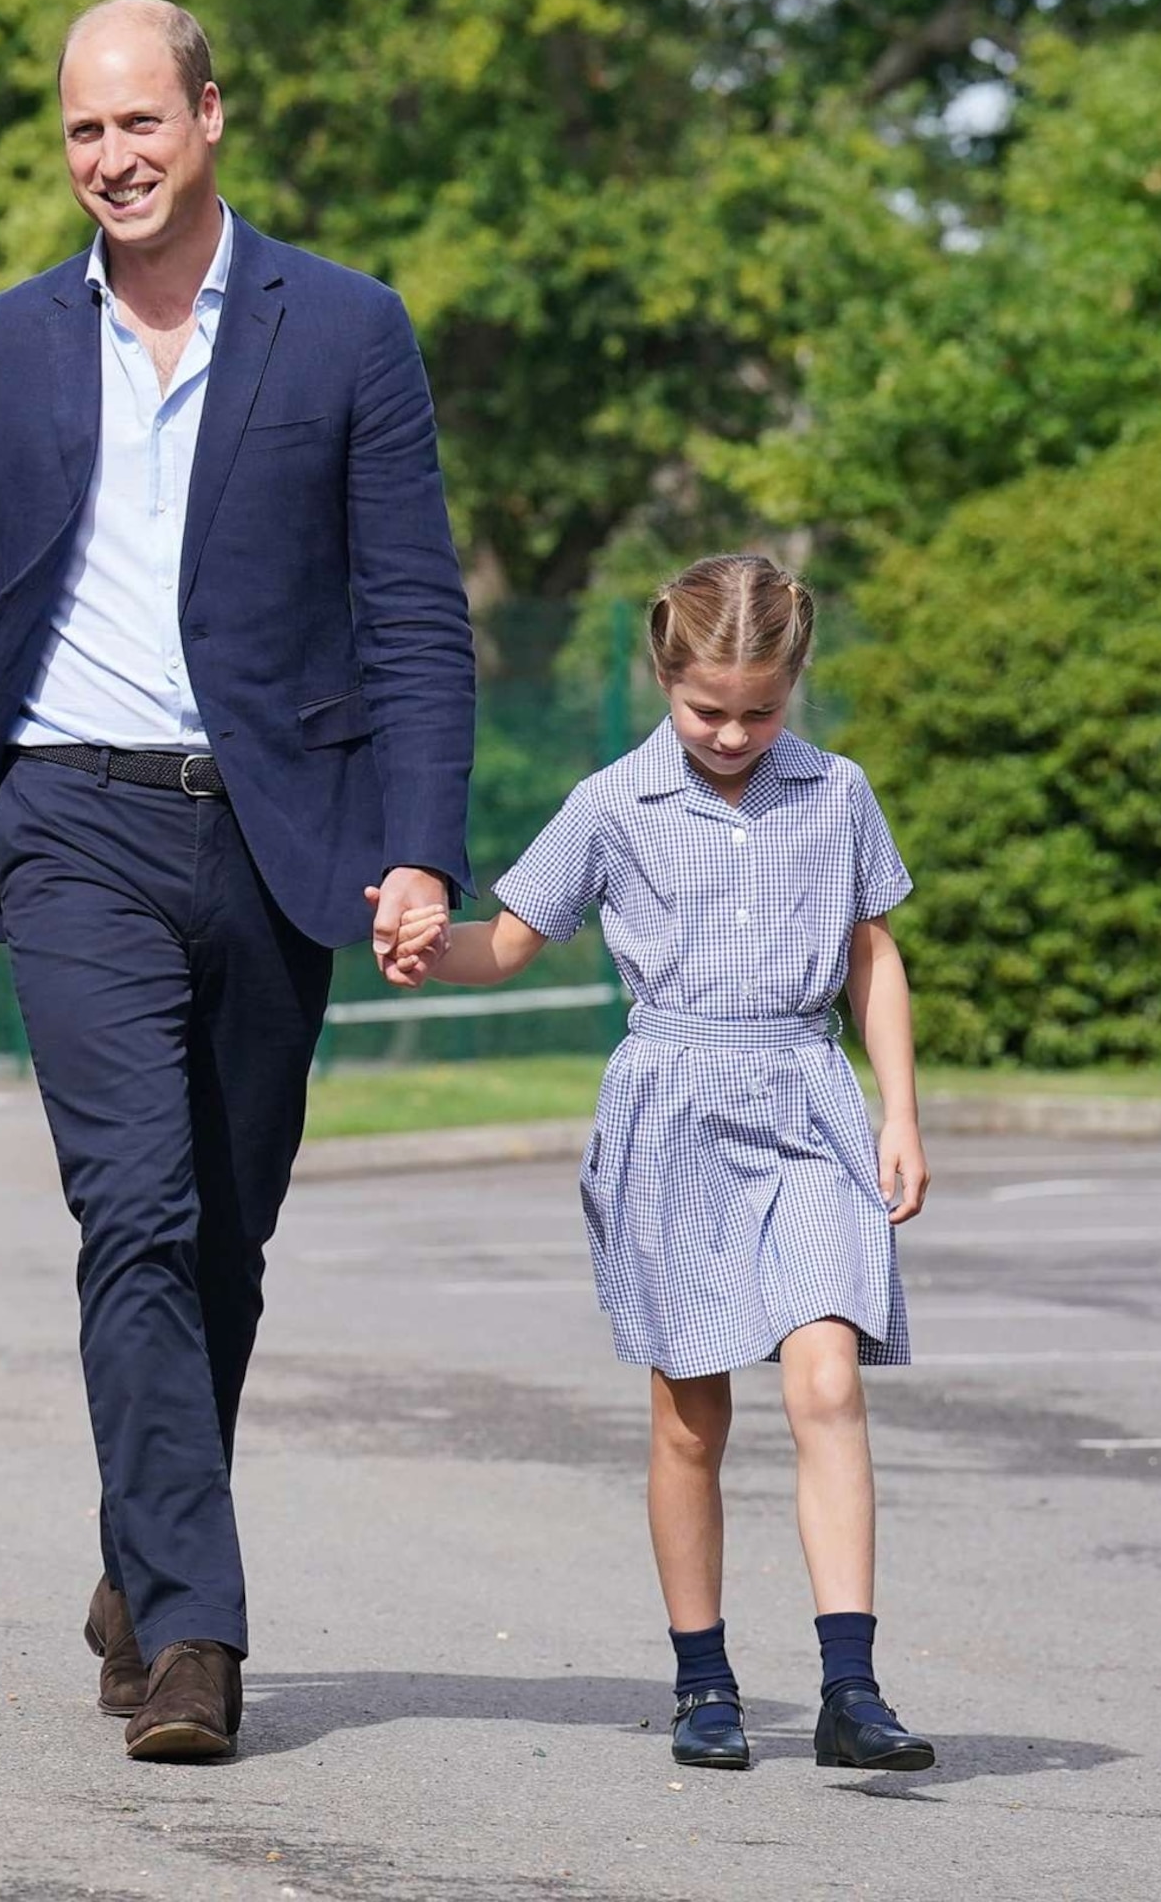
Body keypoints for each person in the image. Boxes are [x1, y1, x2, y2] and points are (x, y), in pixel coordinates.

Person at [0, 0, 478, 1761]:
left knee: (224, 1227)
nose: (111, 159)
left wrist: (418, 842)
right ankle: (199, 1637)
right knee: (129, 1207)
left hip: (279, 832)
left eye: (140, 123)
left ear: (210, 114)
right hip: (67, 821)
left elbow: (414, 613)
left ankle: (142, 1556)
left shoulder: (347, 330)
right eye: (81, 132)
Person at [385, 554, 938, 1773]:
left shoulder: (836, 793)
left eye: (761, 709)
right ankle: (705, 1681)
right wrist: (427, 943)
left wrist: (899, 1109)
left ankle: (851, 1687)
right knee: (692, 1416)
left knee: (828, 1379)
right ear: (664, 676)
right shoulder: (611, 803)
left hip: (806, 1100)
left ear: (793, 686)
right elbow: (513, 941)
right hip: (673, 1109)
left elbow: (872, 954)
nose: (735, 733)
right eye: (709, 710)